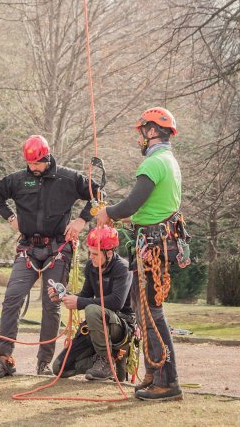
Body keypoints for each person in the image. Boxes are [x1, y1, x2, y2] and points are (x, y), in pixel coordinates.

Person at [0, 135, 99, 377]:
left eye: (36, 164)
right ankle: (5, 358)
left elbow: (97, 194)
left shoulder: (68, 179)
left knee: (51, 305)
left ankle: (43, 362)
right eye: (29, 164)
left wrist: (81, 221)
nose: (32, 168)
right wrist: (10, 217)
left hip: (57, 249)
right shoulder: (18, 179)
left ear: (47, 158)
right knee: (12, 299)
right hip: (28, 248)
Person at [95, 106, 187, 402]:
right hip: (153, 241)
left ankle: (167, 380)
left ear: (151, 131)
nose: (140, 139)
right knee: (145, 311)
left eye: (142, 132)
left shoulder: (155, 162)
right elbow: (149, 208)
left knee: (151, 313)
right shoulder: (168, 161)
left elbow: (132, 204)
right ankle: (154, 372)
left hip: (152, 247)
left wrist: (108, 213)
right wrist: (125, 217)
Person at [48, 225, 135, 380]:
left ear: (109, 253)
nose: (91, 257)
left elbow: (117, 302)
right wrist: (64, 296)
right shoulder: (91, 266)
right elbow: (85, 295)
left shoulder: (123, 268)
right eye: (89, 252)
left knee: (92, 310)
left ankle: (106, 362)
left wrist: (80, 302)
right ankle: (101, 362)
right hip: (97, 321)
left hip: (121, 324)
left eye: (95, 253)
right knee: (59, 368)